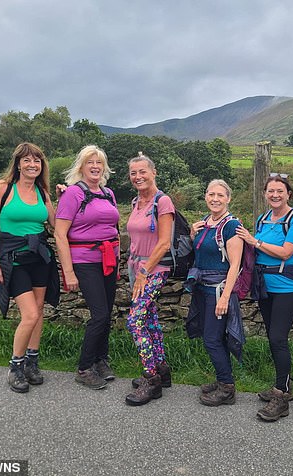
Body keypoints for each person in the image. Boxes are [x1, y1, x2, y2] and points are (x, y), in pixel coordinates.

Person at [0, 142, 59, 393]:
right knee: (29, 314)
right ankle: (15, 366)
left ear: (42, 165)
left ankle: (32, 362)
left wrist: (68, 196)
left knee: (39, 310)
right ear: (17, 163)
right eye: (27, 160)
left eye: (37, 160)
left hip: (39, 259)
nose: (32, 165)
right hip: (13, 261)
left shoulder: (42, 192)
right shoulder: (2, 188)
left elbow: (56, 224)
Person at [236, 174, 293, 422]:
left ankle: (283, 393)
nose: (275, 195)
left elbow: (287, 252)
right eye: (270, 191)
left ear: (289, 194)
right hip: (264, 286)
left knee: (278, 337)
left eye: (280, 191)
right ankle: (281, 383)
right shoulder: (263, 219)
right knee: (272, 336)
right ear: (265, 194)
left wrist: (253, 241)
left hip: (288, 287)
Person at [54, 145, 119, 390]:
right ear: (80, 166)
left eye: (99, 163)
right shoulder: (72, 194)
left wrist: (117, 257)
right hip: (84, 260)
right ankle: (84, 368)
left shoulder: (108, 193)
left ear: (104, 167)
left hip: (108, 260)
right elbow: (60, 234)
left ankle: (101, 360)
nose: (95, 166)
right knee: (100, 314)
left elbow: (113, 228)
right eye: (90, 162)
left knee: (107, 312)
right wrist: (68, 271)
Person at [185, 179, 244, 406]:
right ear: (205, 196)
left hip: (217, 291)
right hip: (202, 289)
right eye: (211, 194)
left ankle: (227, 388)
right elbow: (201, 252)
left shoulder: (231, 226)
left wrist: (226, 298)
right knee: (213, 337)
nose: (215, 199)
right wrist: (192, 234)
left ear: (228, 198)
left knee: (212, 339)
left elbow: (235, 265)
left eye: (220, 195)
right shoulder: (205, 223)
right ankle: (223, 380)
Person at [124, 152, 174, 406]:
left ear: (153, 173)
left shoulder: (162, 202)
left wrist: (144, 272)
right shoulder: (136, 202)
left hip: (154, 269)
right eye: (133, 173)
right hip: (137, 268)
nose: (138, 176)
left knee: (135, 321)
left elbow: (164, 242)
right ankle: (162, 369)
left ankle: (151, 378)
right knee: (150, 318)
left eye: (142, 171)